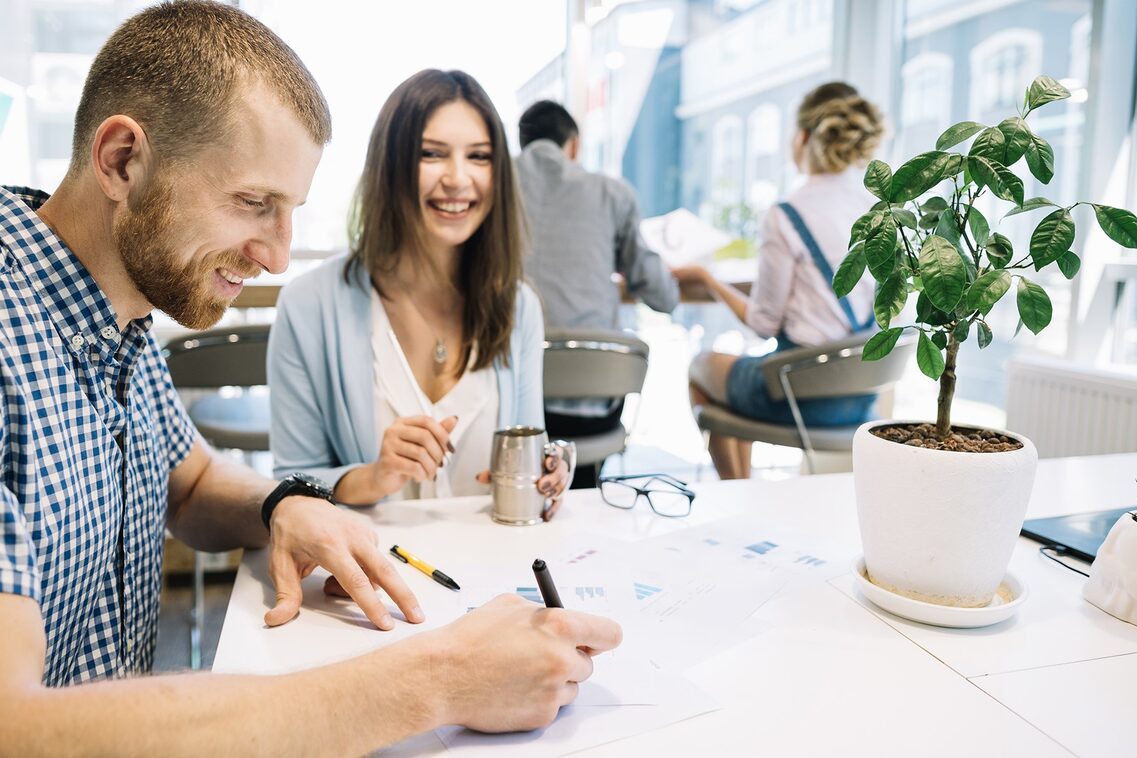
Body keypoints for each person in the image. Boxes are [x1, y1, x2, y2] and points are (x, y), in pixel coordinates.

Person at [0, 4, 620, 754]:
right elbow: (15, 727)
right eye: (253, 203)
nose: (277, 257)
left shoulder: (116, 317)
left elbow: (189, 486)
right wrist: (437, 680)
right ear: (124, 161)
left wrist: (283, 503)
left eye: (289, 211)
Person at [268, 70, 572, 517]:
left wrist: (549, 471)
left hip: (494, 568)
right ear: (390, 165)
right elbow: (289, 484)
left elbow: (532, 446)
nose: (457, 178)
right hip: (370, 575)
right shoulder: (309, 305)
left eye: (480, 156)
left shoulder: (518, 306)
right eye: (432, 154)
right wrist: (374, 476)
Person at [672, 82, 885, 480]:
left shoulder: (787, 215)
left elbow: (763, 323)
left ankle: (739, 492)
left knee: (702, 368)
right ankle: (747, 499)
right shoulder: (880, 209)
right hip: (862, 397)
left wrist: (709, 279)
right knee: (740, 376)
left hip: (798, 395)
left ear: (803, 138)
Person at [515, 100, 679, 486]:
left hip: (509, 408)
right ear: (573, 145)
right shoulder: (612, 193)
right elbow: (662, 295)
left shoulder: (492, 187)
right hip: (592, 408)